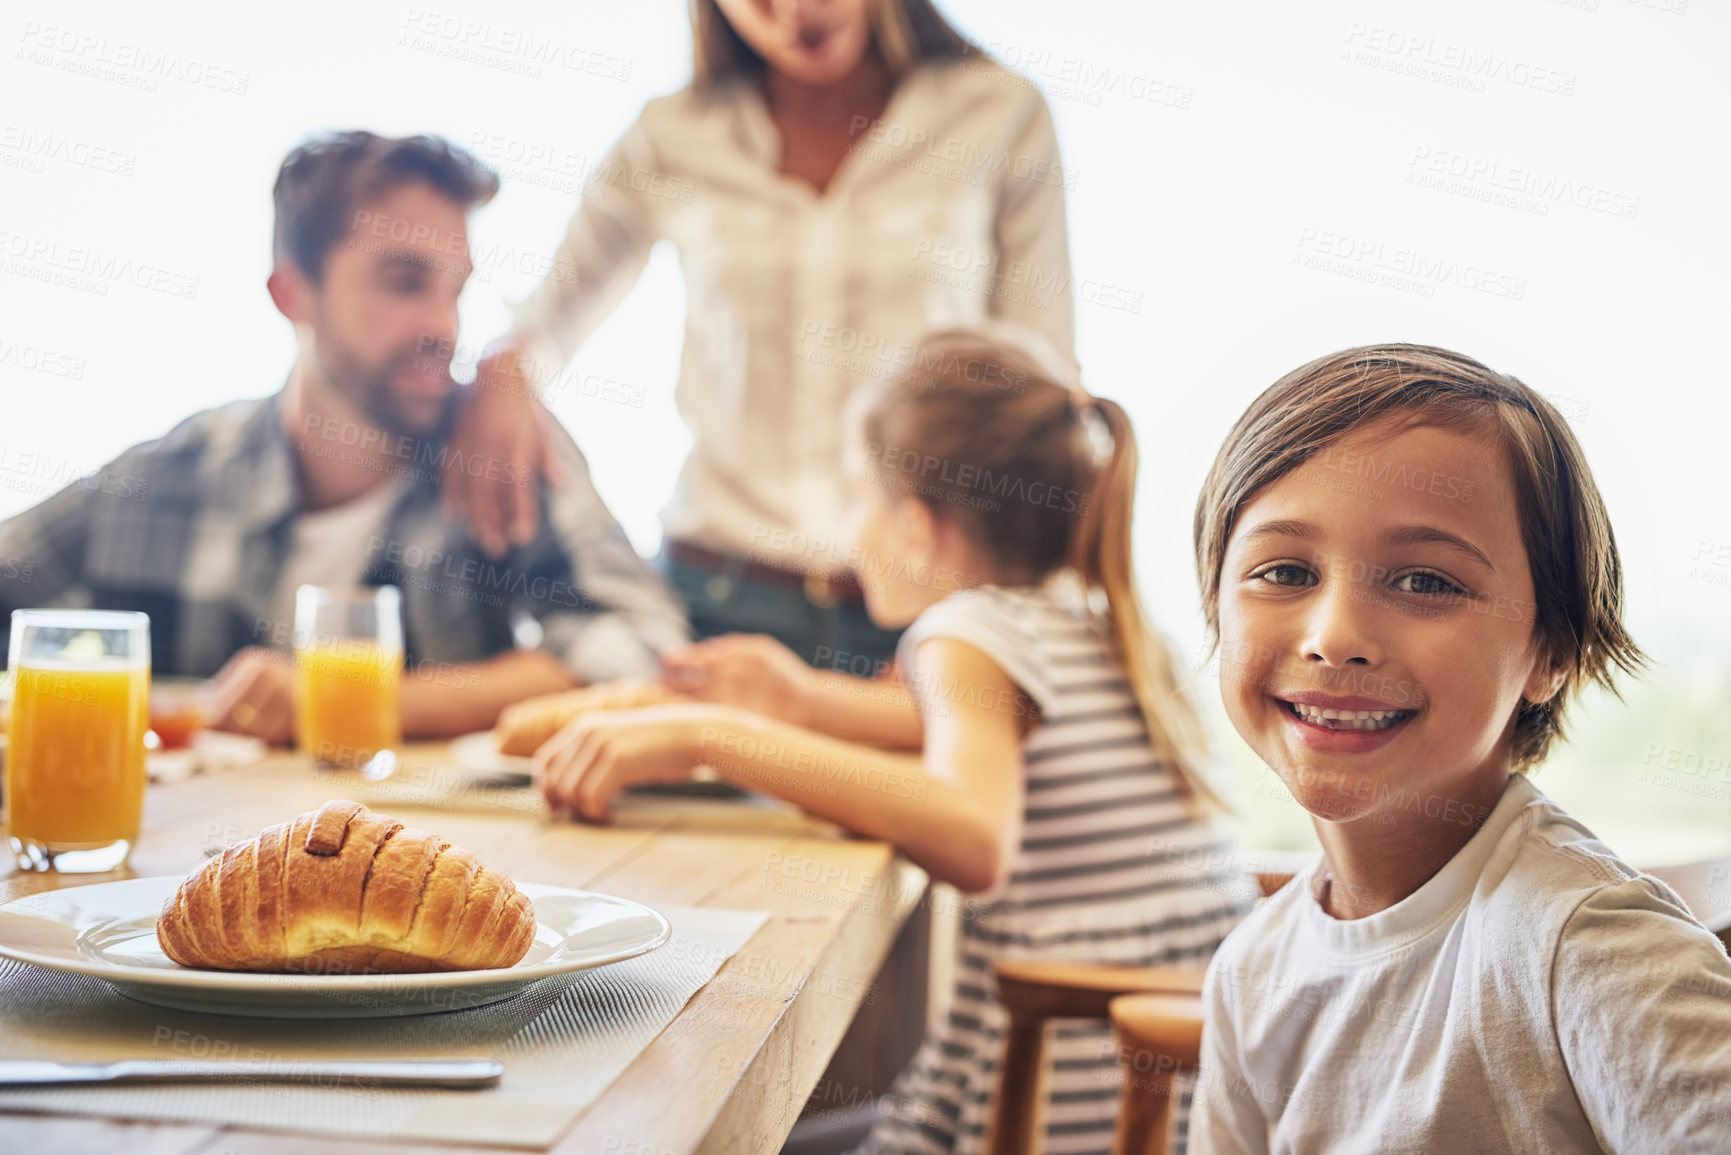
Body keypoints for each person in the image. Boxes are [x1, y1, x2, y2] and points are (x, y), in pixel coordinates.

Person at [532, 332, 1255, 1154]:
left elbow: (974, 832)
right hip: (1162, 1105)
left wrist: (715, 734)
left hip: (1041, 1106)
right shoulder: (1094, 621)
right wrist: (796, 697)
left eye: (855, 495)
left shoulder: (968, 629)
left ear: (915, 524)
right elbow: (947, 728)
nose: (847, 531)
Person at [1188, 344, 1731, 1152]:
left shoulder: (1592, 944)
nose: (1333, 635)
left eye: (1426, 582)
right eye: (1283, 571)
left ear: (1551, 652)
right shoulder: (1250, 968)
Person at [443, 0, 1077, 672]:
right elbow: (542, 323)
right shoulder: (673, 134)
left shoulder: (998, 112)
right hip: (716, 604)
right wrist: (504, 372)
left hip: (930, 611)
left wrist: (994, 620)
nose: (797, 11)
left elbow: (1042, 382)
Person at [0, 132, 688, 743]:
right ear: (292, 294)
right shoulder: (173, 475)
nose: (444, 327)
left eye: (455, 289)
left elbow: (648, 651)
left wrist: (349, 700)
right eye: (405, 282)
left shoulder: (500, 449)